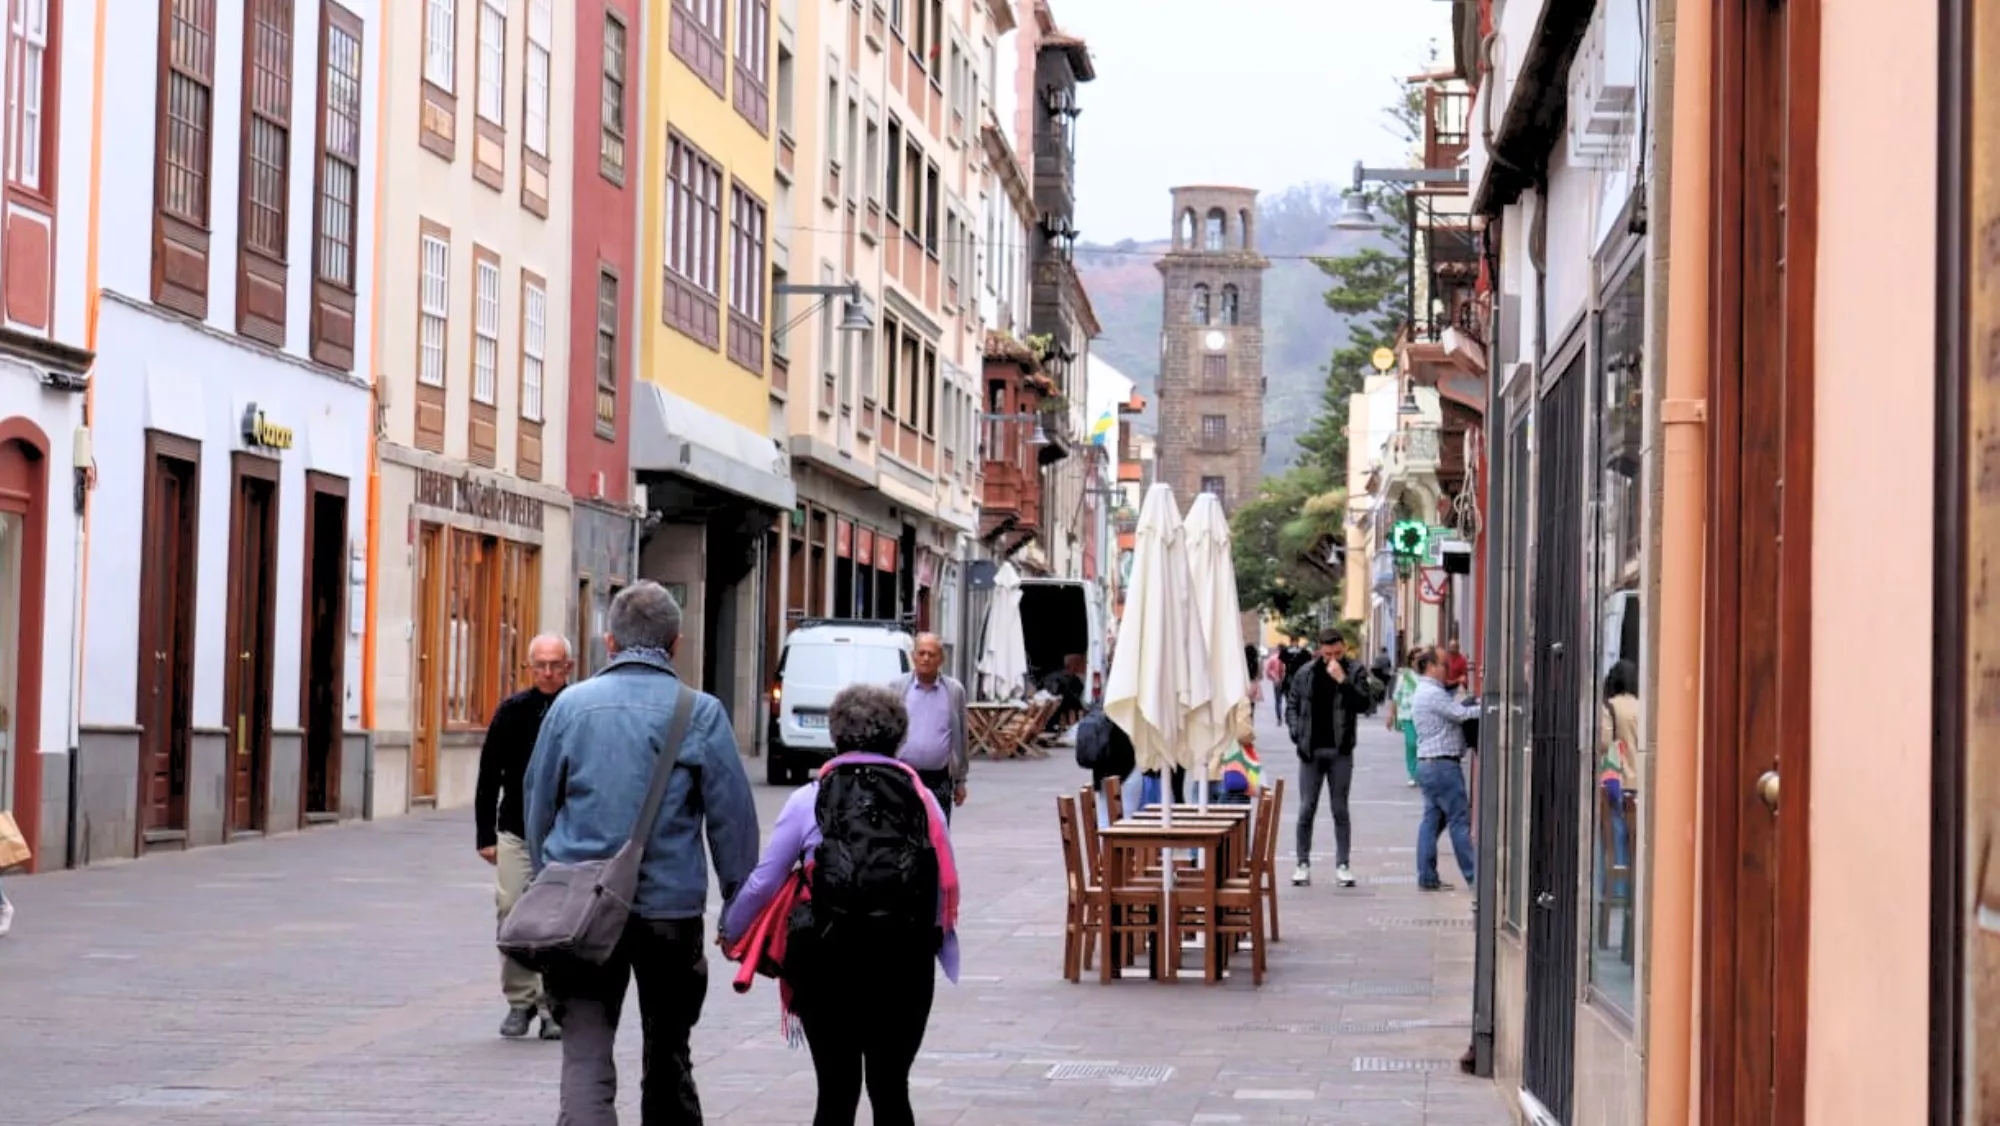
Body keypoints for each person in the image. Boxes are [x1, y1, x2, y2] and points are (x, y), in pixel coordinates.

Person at [524, 581, 760, 1126]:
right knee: (669, 1049)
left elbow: (538, 808)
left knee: (584, 1053)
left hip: (581, 909)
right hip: (668, 911)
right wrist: (738, 908)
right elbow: (732, 823)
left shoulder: (569, 708)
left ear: (610, 642)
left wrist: (548, 882)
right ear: (675, 644)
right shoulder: (700, 713)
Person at [722, 684, 961, 1126]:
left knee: (835, 1091)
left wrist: (732, 928)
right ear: (899, 738)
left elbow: (764, 881)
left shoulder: (807, 800)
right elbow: (944, 888)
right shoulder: (923, 800)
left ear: (835, 736)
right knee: (891, 1090)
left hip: (827, 963)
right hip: (902, 966)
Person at [474, 633, 572, 1041]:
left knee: (556, 920)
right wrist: (485, 835)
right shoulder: (512, 711)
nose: (547, 673)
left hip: (564, 833)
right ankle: (521, 1001)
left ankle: (553, 1005)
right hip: (514, 828)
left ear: (568, 666)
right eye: (540, 665)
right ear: (530, 667)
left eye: (555, 665)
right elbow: (488, 775)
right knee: (511, 910)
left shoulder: (578, 709)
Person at [1285, 629, 1370, 888]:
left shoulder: (1355, 671)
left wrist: (1343, 680)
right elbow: (1293, 704)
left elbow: (1365, 704)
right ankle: (1302, 863)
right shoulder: (1306, 673)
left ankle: (1343, 865)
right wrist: (1297, 734)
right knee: (1306, 808)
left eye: (1337, 652)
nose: (1332, 657)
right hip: (1310, 750)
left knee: (1339, 809)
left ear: (1344, 648)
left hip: (1340, 751)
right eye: (1328, 653)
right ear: (1320, 649)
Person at [1408, 647, 1481, 890]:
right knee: (1459, 821)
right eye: (1443, 665)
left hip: (1429, 764)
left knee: (1431, 821)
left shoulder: (1427, 691)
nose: (1447, 669)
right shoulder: (1431, 693)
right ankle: (1474, 877)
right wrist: (1491, 708)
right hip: (1442, 765)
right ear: (1430, 667)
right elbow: (1460, 714)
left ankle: (1427, 876)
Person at [890, 633, 970, 826]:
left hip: (938, 780)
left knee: (937, 837)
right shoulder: (897, 688)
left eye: (932, 654)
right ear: (913, 656)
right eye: (922, 653)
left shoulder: (954, 691)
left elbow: (961, 738)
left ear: (941, 659)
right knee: (901, 836)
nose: (926, 658)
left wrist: (960, 781)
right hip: (902, 778)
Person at [1386, 648, 1423, 787]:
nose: (1418, 661)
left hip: (1424, 716)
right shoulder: (1405, 676)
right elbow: (1396, 695)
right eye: (1415, 658)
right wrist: (1391, 715)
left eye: (1421, 658)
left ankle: (1420, 772)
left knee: (1423, 746)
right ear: (1411, 661)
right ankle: (1413, 773)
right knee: (1411, 743)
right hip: (1407, 715)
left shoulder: (1428, 675)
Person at [1263, 648, 1287, 723]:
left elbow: (1268, 671)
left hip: (1282, 682)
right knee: (1281, 701)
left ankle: (1281, 718)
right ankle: (1280, 718)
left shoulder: (1274, 658)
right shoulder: (1274, 659)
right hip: (1280, 682)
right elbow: (1268, 670)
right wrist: (1274, 677)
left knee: (1279, 701)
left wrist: (1273, 677)